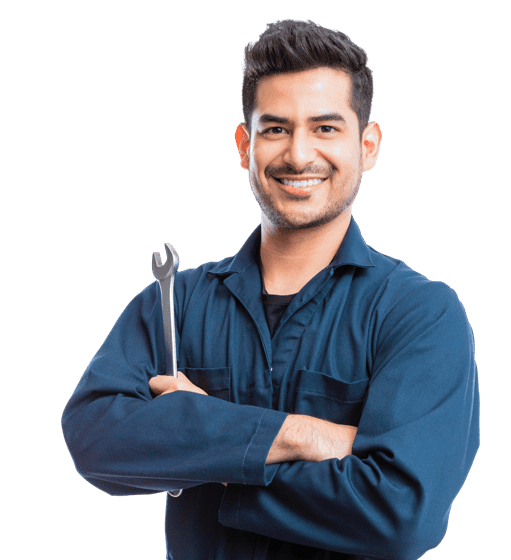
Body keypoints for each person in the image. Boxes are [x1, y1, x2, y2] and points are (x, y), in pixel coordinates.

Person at [61, 19, 479, 560]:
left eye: (325, 128)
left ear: (368, 145)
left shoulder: (420, 315)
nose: (298, 155)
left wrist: (207, 445)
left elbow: (401, 515)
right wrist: (303, 436)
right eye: (276, 129)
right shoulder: (177, 302)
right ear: (245, 144)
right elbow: (95, 441)